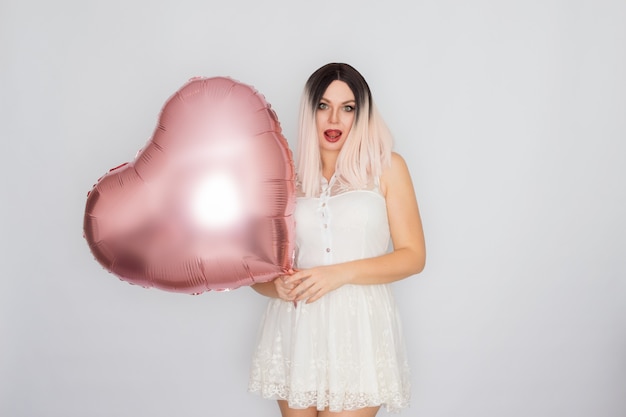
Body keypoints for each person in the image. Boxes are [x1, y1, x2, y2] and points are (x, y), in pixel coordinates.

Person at [248, 63, 426, 417]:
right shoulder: (284, 177)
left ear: (362, 114)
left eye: (348, 108)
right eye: (323, 106)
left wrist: (337, 274)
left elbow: (413, 256)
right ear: (309, 111)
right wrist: (276, 287)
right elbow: (257, 271)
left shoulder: (387, 168)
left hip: (360, 329)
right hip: (297, 328)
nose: (334, 119)